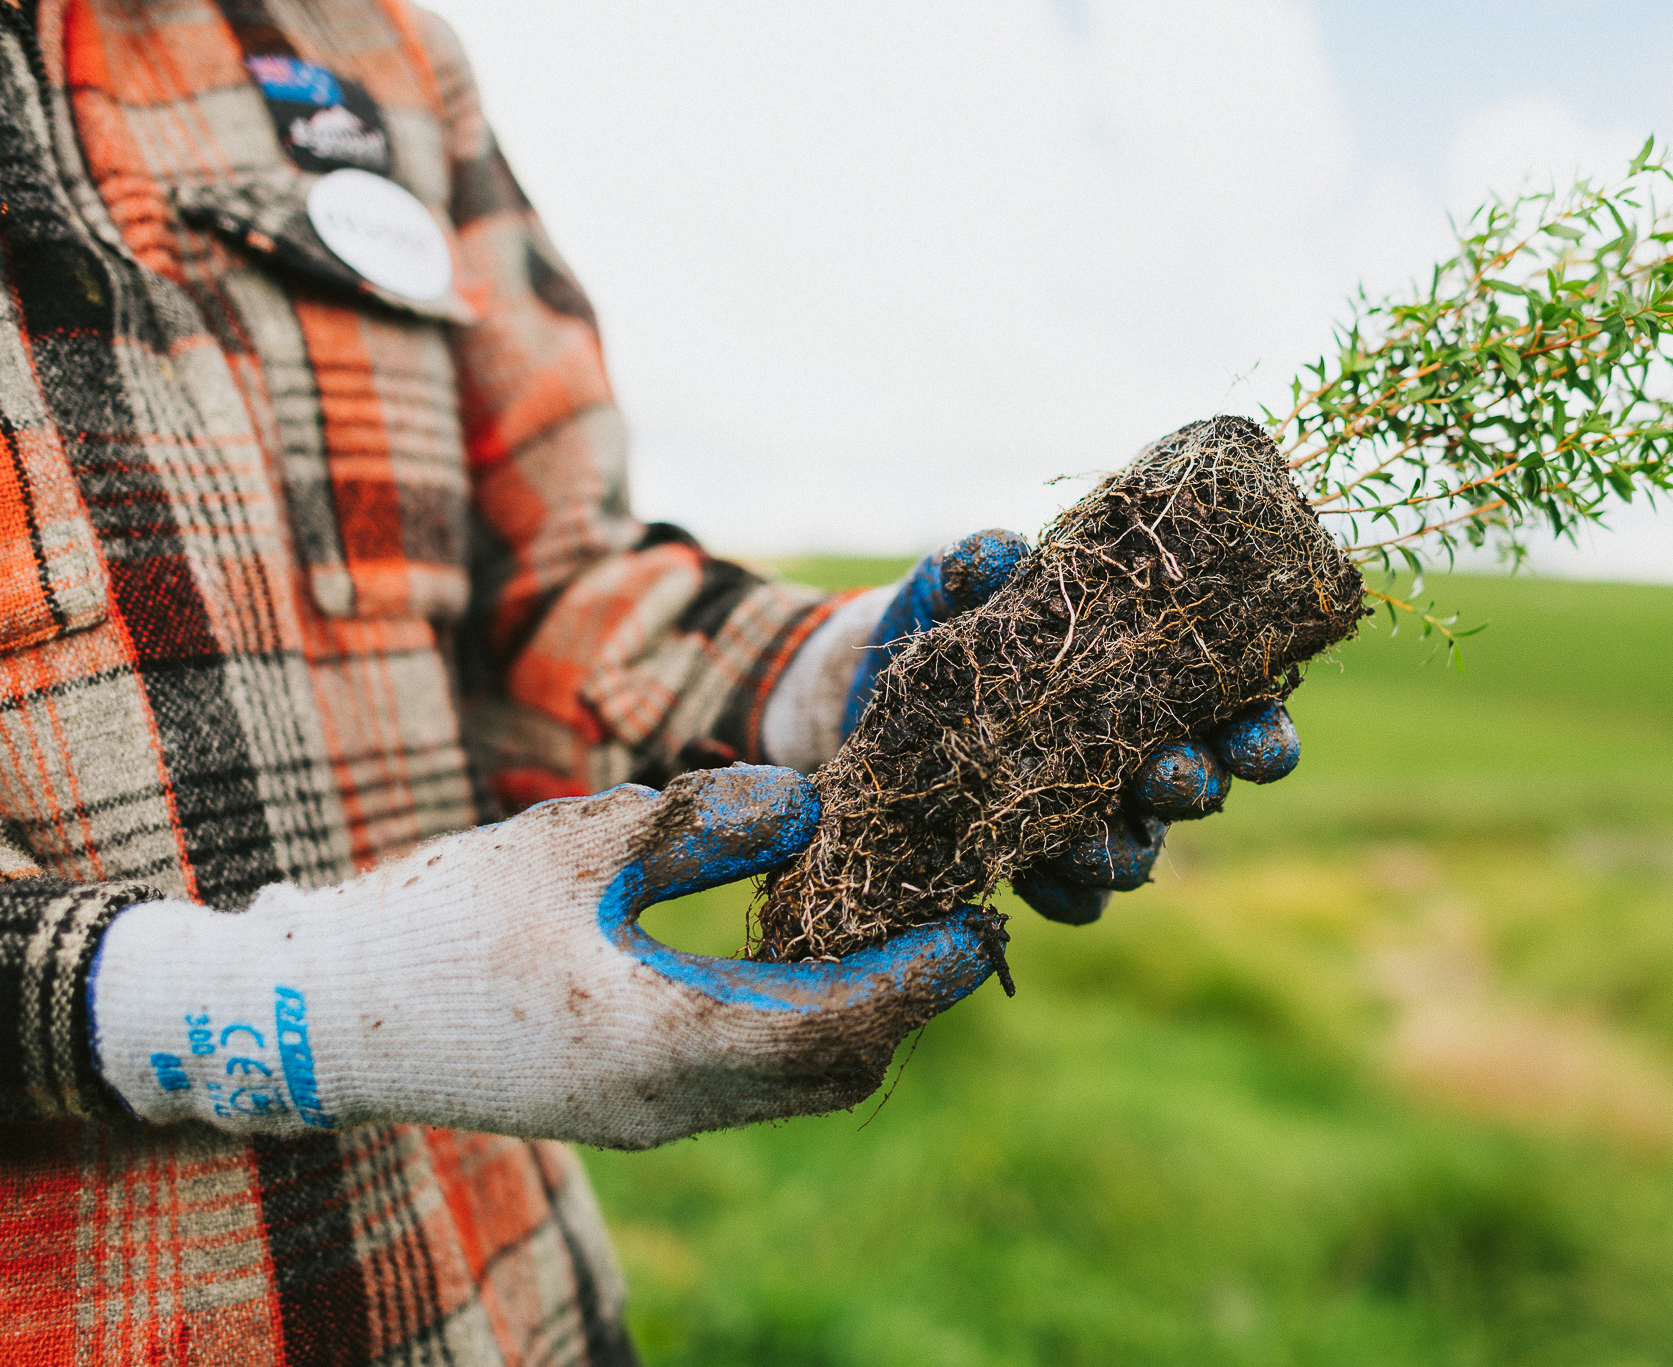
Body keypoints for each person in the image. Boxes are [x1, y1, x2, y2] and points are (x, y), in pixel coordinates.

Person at [0, 2, 1300, 1362]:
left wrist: (835, 678)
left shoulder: (372, 50)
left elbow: (548, 578)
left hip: (504, 1302)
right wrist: (294, 1008)